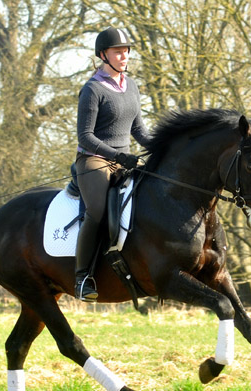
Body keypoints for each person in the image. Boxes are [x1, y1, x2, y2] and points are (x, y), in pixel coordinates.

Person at [74, 26, 151, 302]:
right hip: (94, 161)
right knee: (97, 211)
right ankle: (83, 278)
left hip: (124, 161)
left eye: (126, 51)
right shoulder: (93, 90)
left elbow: (139, 130)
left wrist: (161, 146)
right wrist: (117, 155)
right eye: (118, 51)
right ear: (103, 55)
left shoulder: (132, 86)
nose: (124, 55)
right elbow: (85, 136)